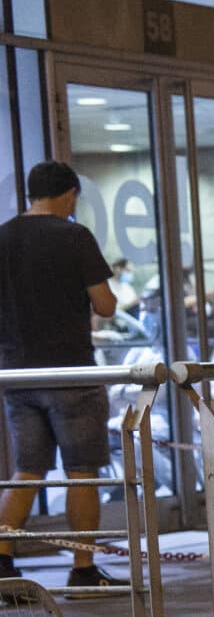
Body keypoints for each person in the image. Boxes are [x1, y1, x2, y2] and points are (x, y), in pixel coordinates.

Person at [0, 160, 122, 589]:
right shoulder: (74, 236)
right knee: (82, 469)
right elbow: (105, 304)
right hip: (70, 371)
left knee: (27, 469)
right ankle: (83, 569)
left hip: (15, 376)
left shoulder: (3, 237)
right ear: (69, 194)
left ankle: (1, 561)